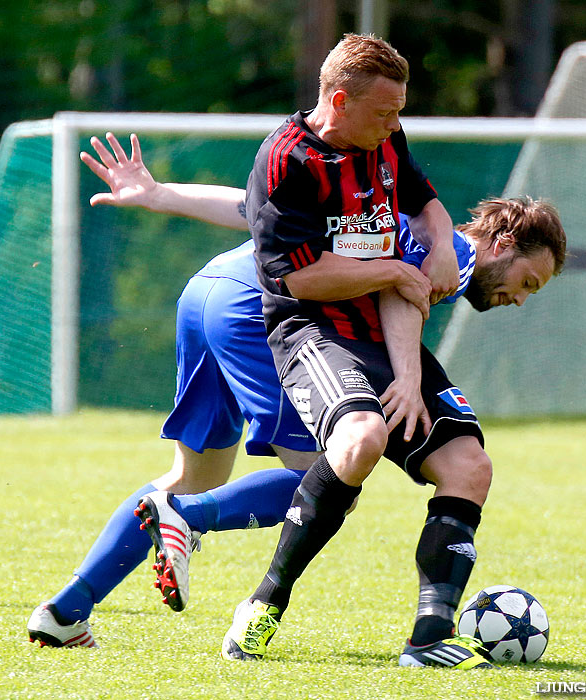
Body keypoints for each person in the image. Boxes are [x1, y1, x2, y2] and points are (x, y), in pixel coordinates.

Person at [26, 125, 565, 651]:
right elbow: (402, 291)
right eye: (528, 283)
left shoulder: (385, 214)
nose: (520, 298)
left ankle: (65, 610)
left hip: (209, 291)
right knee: (326, 476)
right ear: (503, 242)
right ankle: (186, 523)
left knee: (193, 476)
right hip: (257, 311)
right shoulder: (453, 253)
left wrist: (161, 195)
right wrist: (406, 377)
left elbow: (255, 209)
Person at [210, 33, 566, 670]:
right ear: (339, 101)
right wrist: (397, 273)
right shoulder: (285, 163)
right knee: (361, 439)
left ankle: (430, 636)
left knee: (469, 468)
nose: (395, 124)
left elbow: (426, 205)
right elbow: (298, 279)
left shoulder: (382, 141)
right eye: (386, 112)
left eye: (400, 111)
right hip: (312, 327)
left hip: (385, 332)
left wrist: (428, 255)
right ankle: (264, 603)